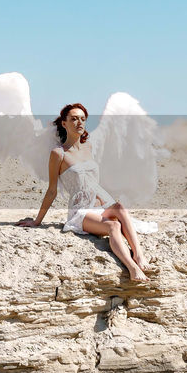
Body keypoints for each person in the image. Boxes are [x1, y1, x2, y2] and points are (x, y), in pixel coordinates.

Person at [16, 103, 151, 282]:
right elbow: (51, 190)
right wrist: (37, 221)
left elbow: (93, 183)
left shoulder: (89, 148)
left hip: (100, 204)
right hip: (81, 212)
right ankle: (132, 268)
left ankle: (139, 255)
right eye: (73, 119)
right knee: (114, 226)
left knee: (120, 207)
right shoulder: (58, 154)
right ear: (64, 123)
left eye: (82, 119)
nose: (79, 122)